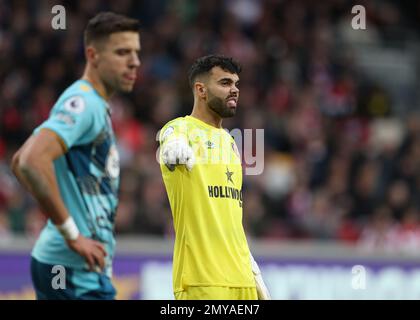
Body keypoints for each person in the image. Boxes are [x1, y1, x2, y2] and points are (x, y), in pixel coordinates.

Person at [10, 12, 141, 300]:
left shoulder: (93, 105)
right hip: (75, 271)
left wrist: (64, 219)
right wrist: (71, 233)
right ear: (92, 55)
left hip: (66, 264)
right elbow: (30, 162)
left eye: (136, 52)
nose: (134, 62)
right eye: (122, 52)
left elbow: (20, 160)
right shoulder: (85, 104)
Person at [159, 54, 271, 300]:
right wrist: (172, 149)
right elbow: (169, 142)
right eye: (225, 83)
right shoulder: (180, 129)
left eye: (236, 84)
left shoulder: (230, 142)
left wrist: (253, 272)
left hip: (242, 279)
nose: (234, 90)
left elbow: (230, 218)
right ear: (201, 90)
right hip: (203, 280)